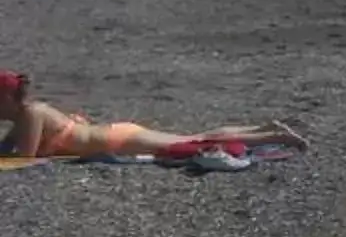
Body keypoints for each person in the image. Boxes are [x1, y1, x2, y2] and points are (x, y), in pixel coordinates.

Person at [0, 71, 307, 161]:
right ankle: (264, 128)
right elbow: (6, 149)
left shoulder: (30, 114)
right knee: (197, 135)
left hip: (116, 140)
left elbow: (24, 158)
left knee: (195, 141)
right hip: (115, 134)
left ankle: (274, 136)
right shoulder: (26, 116)